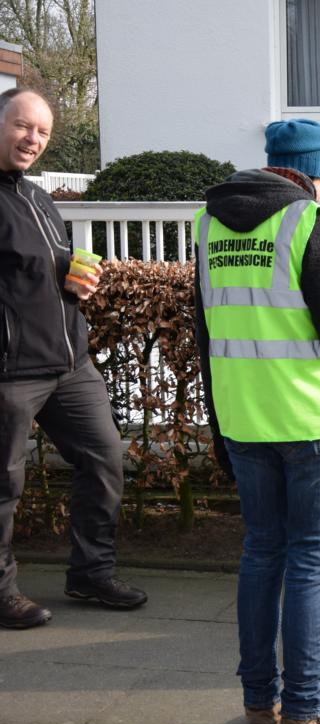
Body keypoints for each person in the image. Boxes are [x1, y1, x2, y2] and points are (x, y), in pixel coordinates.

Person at [193, 118, 320, 724]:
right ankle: (304, 713)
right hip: (312, 420)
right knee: (310, 563)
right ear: (315, 170)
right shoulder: (308, 222)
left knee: (261, 553)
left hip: (244, 415)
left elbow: (205, 332)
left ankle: (258, 708)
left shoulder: (207, 223)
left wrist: (220, 423)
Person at [0, 88, 148, 631]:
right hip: (10, 372)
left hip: (68, 365)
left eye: (41, 132)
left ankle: (91, 572)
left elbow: (43, 266)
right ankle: (1, 592)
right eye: (22, 126)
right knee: (2, 484)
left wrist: (73, 275)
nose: (32, 140)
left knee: (105, 459)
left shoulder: (37, 198)